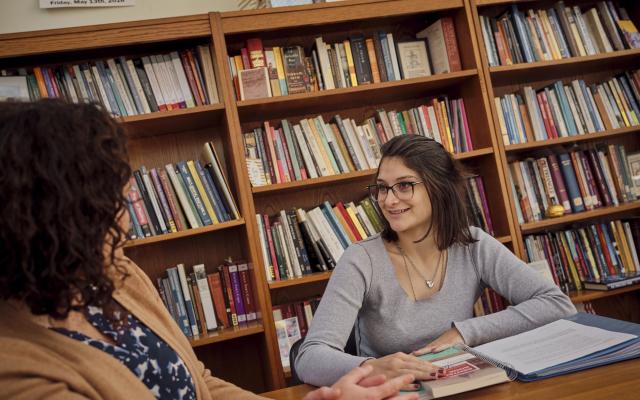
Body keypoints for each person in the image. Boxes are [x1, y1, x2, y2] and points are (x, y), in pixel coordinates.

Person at [0, 99, 418, 400]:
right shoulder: (16, 370)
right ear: (60, 214)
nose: (132, 216)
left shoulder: (117, 275)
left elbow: (199, 383)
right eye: (118, 197)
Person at [295, 134, 577, 387]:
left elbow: (556, 304)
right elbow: (309, 357)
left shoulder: (473, 245)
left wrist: (463, 333)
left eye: (404, 185)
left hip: (462, 385)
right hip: (394, 392)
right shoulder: (361, 259)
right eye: (382, 188)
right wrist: (371, 367)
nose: (389, 200)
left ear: (439, 188)